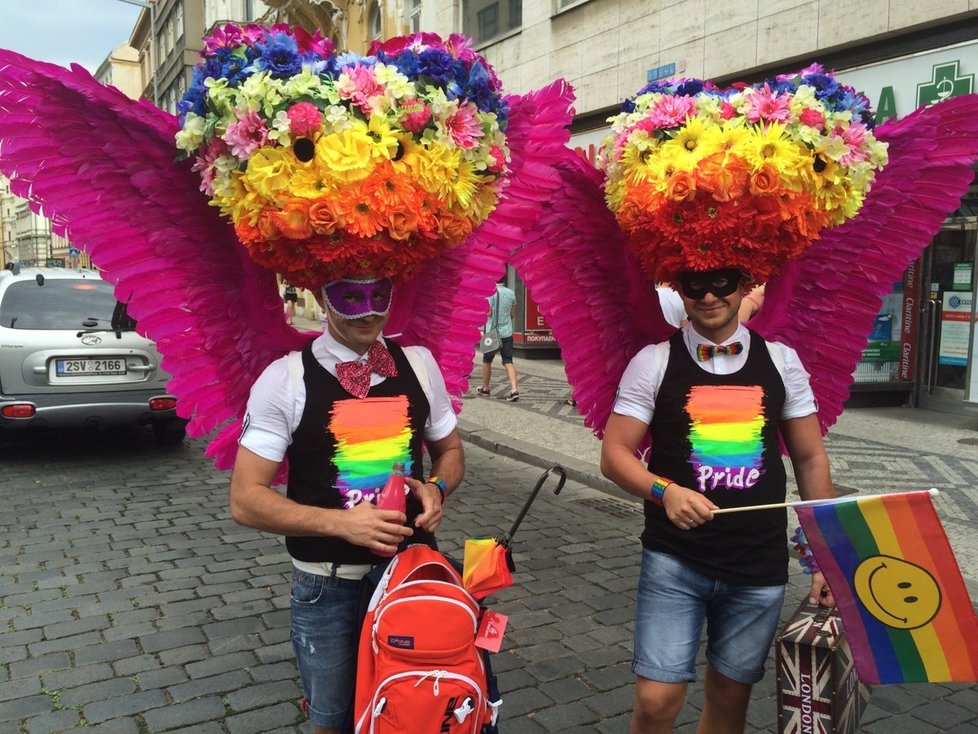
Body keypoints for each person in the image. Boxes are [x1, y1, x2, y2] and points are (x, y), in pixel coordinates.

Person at [600, 267, 836, 734]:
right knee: (656, 698)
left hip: (758, 565)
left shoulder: (781, 361)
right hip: (675, 560)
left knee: (730, 699)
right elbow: (615, 453)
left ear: (744, 287)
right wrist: (664, 491)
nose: (709, 295)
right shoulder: (653, 361)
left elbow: (810, 459)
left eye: (723, 282)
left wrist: (826, 557)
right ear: (678, 291)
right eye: (694, 285)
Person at [230, 273, 464, 734]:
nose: (370, 310)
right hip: (328, 587)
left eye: (380, 295)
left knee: (415, 711)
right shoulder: (285, 380)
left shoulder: (418, 364)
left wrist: (436, 486)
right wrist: (342, 524)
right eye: (350, 296)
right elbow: (246, 499)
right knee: (332, 723)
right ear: (319, 296)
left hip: (409, 575)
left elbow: (451, 453)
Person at [478, 278, 520, 401]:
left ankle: (485, 388)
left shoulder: (489, 294)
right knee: (508, 361)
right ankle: (514, 389)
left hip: (492, 333)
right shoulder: (511, 293)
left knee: (487, 360)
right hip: (506, 333)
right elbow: (512, 314)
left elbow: (489, 313)